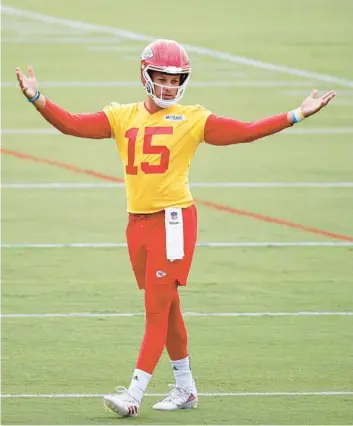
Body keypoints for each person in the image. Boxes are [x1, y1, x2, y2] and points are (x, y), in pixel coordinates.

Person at [16, 39, 336, 418]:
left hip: (173, 222)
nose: (168, 87)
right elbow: (72, 125)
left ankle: (133, 393)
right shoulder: (122, 115)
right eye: (161, 78)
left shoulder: (193, 118)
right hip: (137, 224)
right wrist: (38, 99)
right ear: (144, 75)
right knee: (168, 309)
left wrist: (296, 114)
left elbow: (246, 130)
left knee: (156, 310)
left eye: (176, 80)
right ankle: (185, 388)